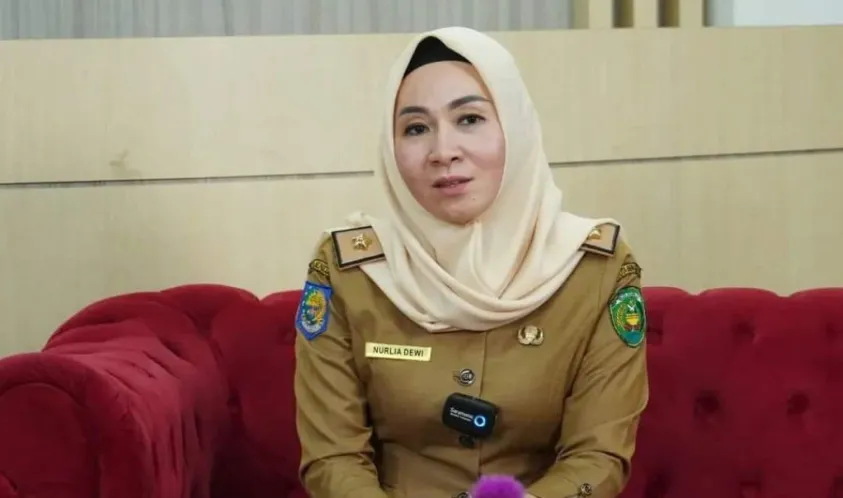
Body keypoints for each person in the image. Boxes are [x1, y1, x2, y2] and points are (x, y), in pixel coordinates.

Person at [293, 26, 649, 498]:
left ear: (516, 128)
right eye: (416, 128)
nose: (443, 152)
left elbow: (597, 457)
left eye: (469, 119)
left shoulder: (595, 269)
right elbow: (333, 458)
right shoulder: (349, 271)